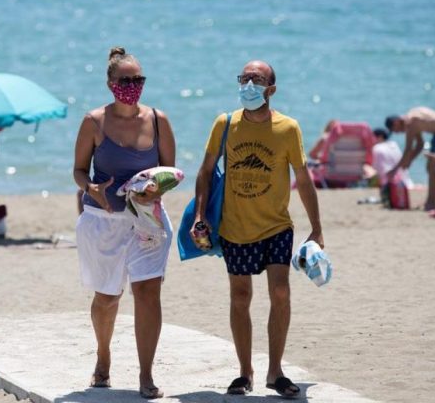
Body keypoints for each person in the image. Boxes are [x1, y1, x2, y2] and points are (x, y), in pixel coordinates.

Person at [190, 60, 323, 398]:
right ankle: (244, 371)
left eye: (257, 79)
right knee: (240, 296)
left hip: (277, 225)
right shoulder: (225, 123)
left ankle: (275, 371)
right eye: (244, 78)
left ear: (271, 89)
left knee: (280, 292)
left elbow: (304, 181)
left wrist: (317, 227)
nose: (249, 84)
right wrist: (199, 216)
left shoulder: (288, 128)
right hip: (235, 227)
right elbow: (205, 172)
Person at [73, 47, 176, 399]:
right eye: (125, 80)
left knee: (147, 293)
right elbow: (78, 170)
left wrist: (153, 190)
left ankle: (146, 375)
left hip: (147, 222)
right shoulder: (93, 122)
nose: (133, 86)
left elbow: (169, 173)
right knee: (107, 297)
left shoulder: (159, 121)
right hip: (104, 221)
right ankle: (103, 355)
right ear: (110, 83)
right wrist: (90, 188)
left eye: (139, 80)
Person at [385, 107, 435, 211]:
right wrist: (410, 160)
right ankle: (431, 201)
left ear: (396, 122)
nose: (398, 133)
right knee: (431, 168)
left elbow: (408, 149)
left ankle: (432, 202)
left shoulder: (410, 123)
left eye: (395, 130)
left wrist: (395, 169)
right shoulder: (412, 118)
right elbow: (420, 144)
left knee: (431, 167)